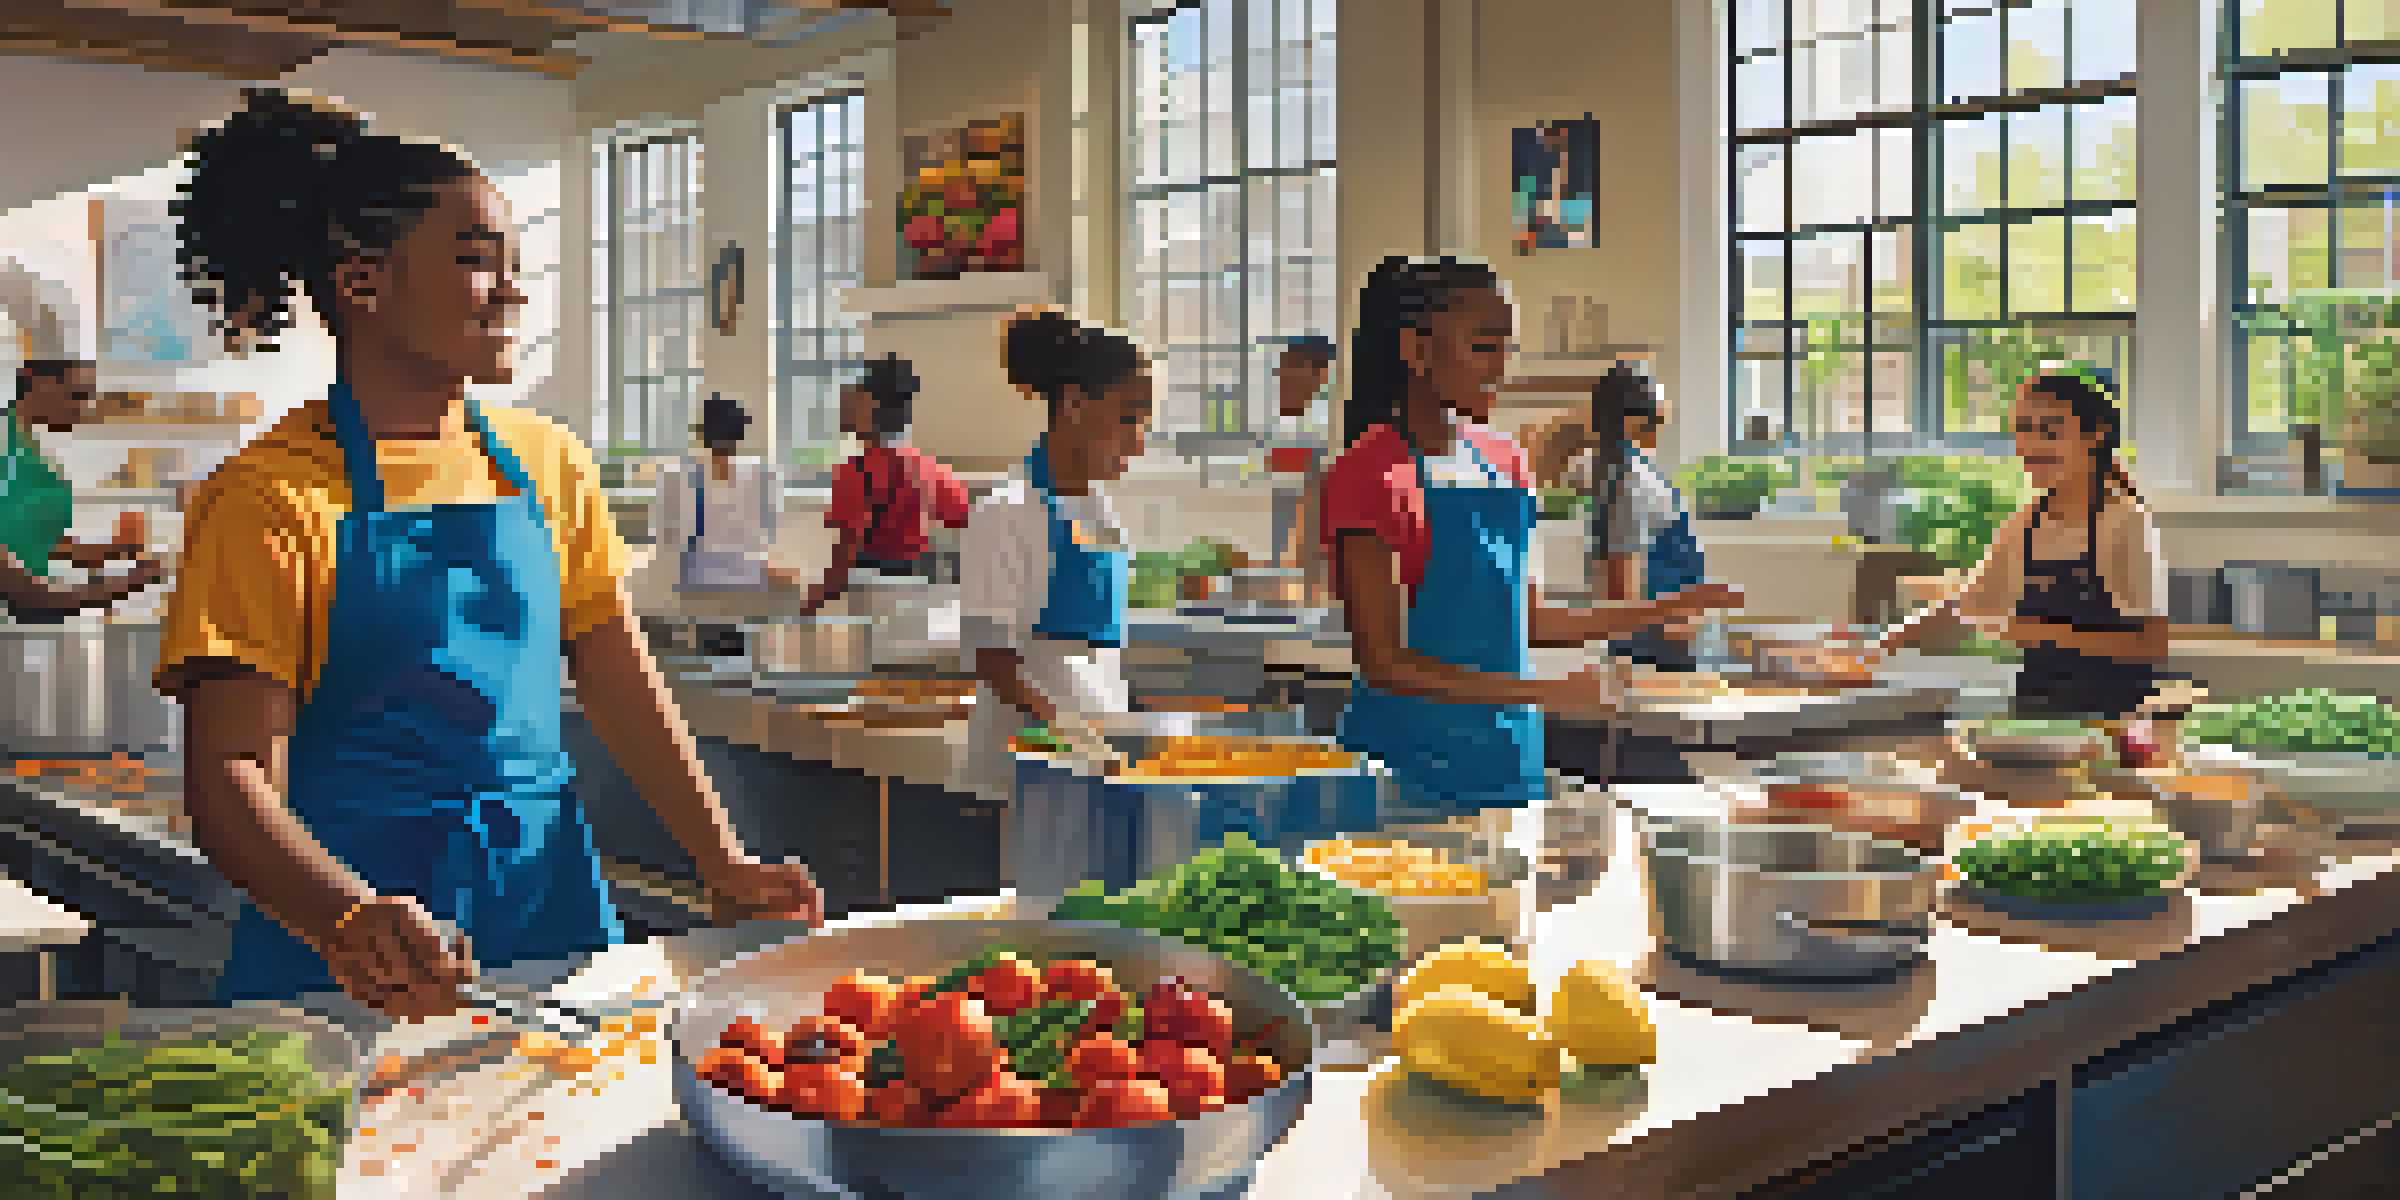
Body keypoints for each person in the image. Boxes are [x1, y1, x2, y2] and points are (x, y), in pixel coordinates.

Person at [157, 88, 820, 1025]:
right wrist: (348, 919)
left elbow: (620, 677)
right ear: (360, 282)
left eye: (516, 264)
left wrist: (723, 862)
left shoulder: (547, 465)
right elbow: (228, 777)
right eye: (476, 260)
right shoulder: (270, 499)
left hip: (548, 918)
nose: (512, 290)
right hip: (349, 947)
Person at [1321, 256, 1741, 826]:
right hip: (1403, 778)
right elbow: (1386, 663)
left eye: (1506, 348)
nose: (1501, 367)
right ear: (1416, 352)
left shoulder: (1506, 462)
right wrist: (1547, 690)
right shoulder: (1370, 475)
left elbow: (1532, 619)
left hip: (1508, 768)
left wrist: (1668, 607)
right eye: (1483, 346)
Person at [1874, 368, 2170, 719]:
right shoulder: (2026, 522)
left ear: (2095, 435)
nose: (2030, 446)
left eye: (2049, 431)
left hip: (2114, 725)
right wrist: (1887, 641)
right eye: (2023, 430)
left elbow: (2150, 645)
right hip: (2037, 720)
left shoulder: (2126, 521)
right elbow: (1967, 605)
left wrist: (2048, 633)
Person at [962, 310, 1152, 804]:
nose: (1139, 440)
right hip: (1026, 769)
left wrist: (1118, 733)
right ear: (1072, 403)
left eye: (1146, 421)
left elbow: (1097, 653)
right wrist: (1072, 734)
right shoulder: (1006, 511)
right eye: (1128, 416)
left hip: (1099, 758)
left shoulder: (1100, 512)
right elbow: (992, 660)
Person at [802, 353, 970, 616]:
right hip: (923, 603)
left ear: (868, 404)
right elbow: (967, 529)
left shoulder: (854, 472)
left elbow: (846, 553)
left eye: (852, 396)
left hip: (872, 601)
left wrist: (812, 601)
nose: (843, 404)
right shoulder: (936, 471)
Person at [0, 358, 166, 620]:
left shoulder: (29, 449)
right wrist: (126, 582)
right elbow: (27, 593)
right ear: (35, 380)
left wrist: (106, 551)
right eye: (76, 394)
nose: (83, 407)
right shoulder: (7, 448)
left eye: (89, 396)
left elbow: (31, 536)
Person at [1583, 363, 1707, 672]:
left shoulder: (1637, 473)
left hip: (1667, 647)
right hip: (1651, 657)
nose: (1664, 414)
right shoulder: (1629, 480)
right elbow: (1622, 596)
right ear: (1634, 418)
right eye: (1657, 404)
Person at [655, 392, 785, 649]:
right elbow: (772, 527)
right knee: (746, 651)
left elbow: (667, 535)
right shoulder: (764, 474)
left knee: (708, 655)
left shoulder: (678, 474)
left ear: (703, 433)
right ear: (740, 434)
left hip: (700, 586)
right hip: (749, 583)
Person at [1268, 337, 1335, 602]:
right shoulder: (1281, 428)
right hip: (1285, 558)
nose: (1281, 376)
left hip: (1311, 561)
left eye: (1292, 368)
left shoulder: (1324, 432)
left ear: (1319, 376)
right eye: (1283, 368)